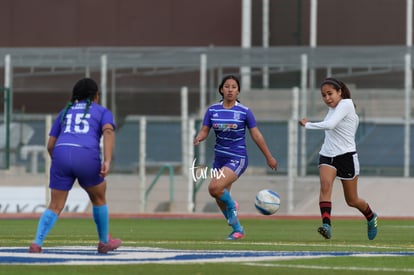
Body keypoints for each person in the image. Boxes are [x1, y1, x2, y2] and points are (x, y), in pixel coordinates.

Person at [29, 78, 121, 253]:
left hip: (61, 152)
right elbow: (108, 131)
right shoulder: (102, 111)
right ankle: (103, 242)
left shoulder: (65, 111)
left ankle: (37, 243)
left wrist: (59, 162)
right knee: (98, 198)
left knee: (55, 205)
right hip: (86, 154)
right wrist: (107, 160)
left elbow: (50, 146)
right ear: (96, 96)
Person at [194, 74, 278, 240]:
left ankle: (233, 204)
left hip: (237, 157)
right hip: (219, 159)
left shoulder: (244, 112)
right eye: (227, 86)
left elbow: (256, 135)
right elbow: (205, 130)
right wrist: (199, 137)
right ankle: (237, 230)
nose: (230, 90)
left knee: (214, 188)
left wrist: (269, 157)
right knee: (219, 196)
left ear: (238, 91)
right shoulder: (212, 110)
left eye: (234, 87)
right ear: (221, 90)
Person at [299, 77, 378, 240]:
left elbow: (330, 125)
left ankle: (371, 217)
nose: (327, 98)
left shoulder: (346, 104)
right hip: (327, 155)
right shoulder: (332, 109)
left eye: (330, 94)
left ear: (339, 92)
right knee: (325, 186)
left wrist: (308, 124)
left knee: (352, 200)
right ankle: (326, 225)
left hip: (346, 157)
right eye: (324, 95)